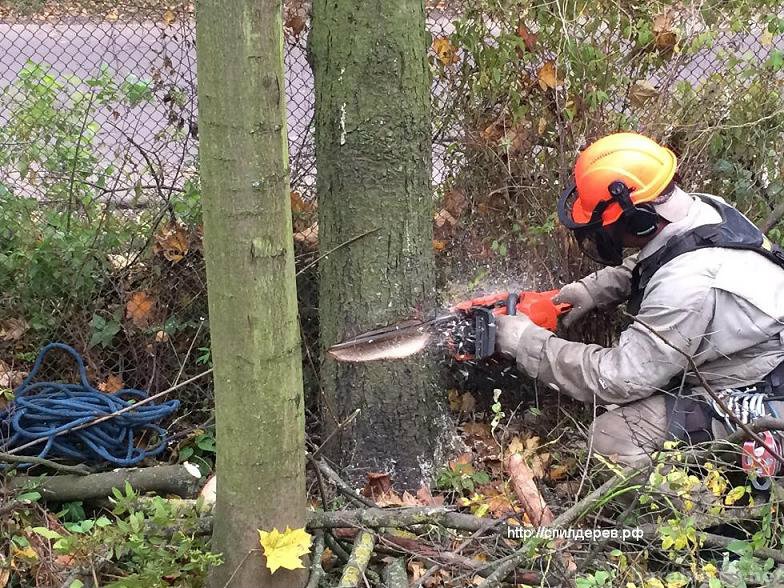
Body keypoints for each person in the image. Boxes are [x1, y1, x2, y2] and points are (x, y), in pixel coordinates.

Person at [495, 132, 784, 472]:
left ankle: (709, 517)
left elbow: (620, 378)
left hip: (761, 393)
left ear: (639, 220)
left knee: (612, 441)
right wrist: (591, 290)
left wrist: (526, 343)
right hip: (751, 361)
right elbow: (660, 256)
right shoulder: (701, 211)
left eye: (606, 226)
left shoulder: (686, 286)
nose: (601, 233)